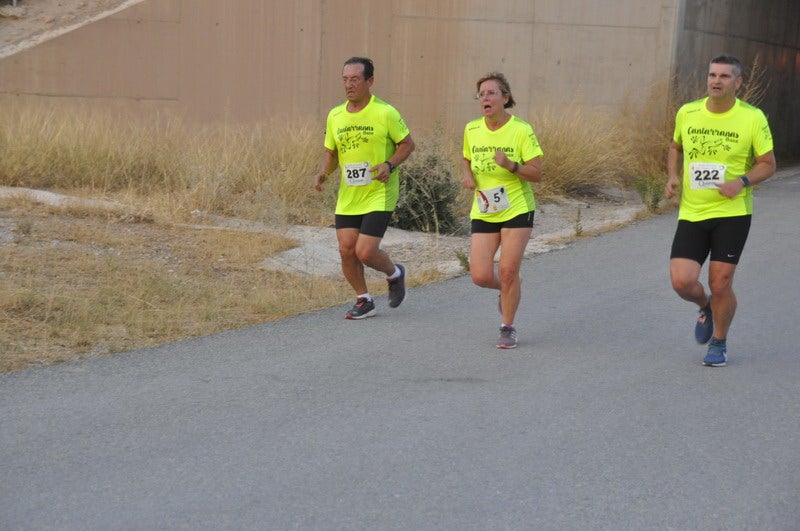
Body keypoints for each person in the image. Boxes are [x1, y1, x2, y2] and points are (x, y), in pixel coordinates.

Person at [665, 55, 776, 367]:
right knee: (682, 282)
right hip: (693, 212)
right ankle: (706, 306)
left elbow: (768, 164)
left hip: (732, 213)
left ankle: (719, 341)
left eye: (725, 76)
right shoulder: (687, 112)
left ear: (738, 83)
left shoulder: (752, 118)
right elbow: (675, 147)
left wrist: (741, 181)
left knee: (720, 283)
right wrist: (673, 177)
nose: (716, 81)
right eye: (712, 75)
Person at [313, 57, 416, 320]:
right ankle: (364, 299)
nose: (349, 84)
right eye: (345, 79)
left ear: (369, 81)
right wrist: (324, 172)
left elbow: (407, 145)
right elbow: (331, 152)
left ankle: (395, 274)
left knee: (365, 251)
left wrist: (389, 165)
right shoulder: (335, 115)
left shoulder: (385, 112)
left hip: (379, 192)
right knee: (346, 249)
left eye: (355, 79)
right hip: (350, 194)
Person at [461, 72, 543, 349]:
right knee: (480, 276)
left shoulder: (521, 130)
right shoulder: (472, 129)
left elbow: (536, 173)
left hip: (517, 208)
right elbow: (466, 157)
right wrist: (468, 175)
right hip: (485, 208)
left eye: (491, 93)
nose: (485, 98)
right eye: (481, 94)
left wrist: (511, 166)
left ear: (505, 98)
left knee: (507, 269)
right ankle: (509, 288)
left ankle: (507, 326)